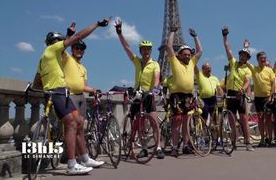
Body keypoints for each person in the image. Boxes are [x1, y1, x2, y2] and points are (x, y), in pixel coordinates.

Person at [32, 17, 110, 175]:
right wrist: (96, 24)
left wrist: (47, 86)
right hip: (59, 93)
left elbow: (36, 83)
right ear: (56, 42)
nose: (64, 47)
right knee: (72, 124)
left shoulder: (43, 58)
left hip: (52, 93)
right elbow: (78, 37)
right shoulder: (54, 50)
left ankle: (85, 158)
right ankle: (72, 164)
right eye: (62, 43)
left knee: (78, 123)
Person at [114, 19, 165, 159]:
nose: (146, 52)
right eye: (143, 50)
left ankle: (158, 147)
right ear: (141, 51)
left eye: (148, 49)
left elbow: (156, 78)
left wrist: (154, 91)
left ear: (150, 51)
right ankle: (143, 148)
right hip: (137, 94)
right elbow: (127, 48)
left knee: (154, 122)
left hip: (148, 95)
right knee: (139, 123)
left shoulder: (155, 64)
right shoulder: (137, 61)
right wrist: (120, 33)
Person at [62, 27, 105, 167]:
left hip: (81, 98)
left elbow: (83, 85)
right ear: (72, 49)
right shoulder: (67, 59)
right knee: (73, 127)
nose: (79, 50)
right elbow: (61, 48)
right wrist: (69, 34)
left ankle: (85, 158)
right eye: (77, 48)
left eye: (81, 49)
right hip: (71, 97)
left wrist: (93, 89)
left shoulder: (83, 68)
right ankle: (73, 160)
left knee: (80, 128)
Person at [166, 25, 202, 157]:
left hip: (188, 96)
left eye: (189, 54)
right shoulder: (175, 61)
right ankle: (175, 147)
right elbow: (169, 47)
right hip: (176, 96)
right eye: (185, 54)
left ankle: (186, 145)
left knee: (186, 122)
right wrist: (172, 32)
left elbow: (200, 51)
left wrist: (195, 37)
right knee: (177, 121)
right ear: (179, 55)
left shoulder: (192, 63)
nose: (187, 56)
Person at [221, 26, 254, 151]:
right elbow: (228, 49)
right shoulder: (233, 63)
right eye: (241, 55)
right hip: (230, 93)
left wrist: (243, 89)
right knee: (231, 119)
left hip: (239, 94)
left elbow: (247, 82)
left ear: (247, 58)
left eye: (245, 56)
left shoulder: (247, 69)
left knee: (244, 119)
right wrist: (225, 36)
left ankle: (248, 142)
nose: (242, 57)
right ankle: (233, 141)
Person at [246, 51, 276, 147]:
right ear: (257, 60)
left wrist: (272, 95)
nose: (263, 59)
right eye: (261, 58)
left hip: (267, 97)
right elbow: (245, 61)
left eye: (264, 58)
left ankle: (270, 139)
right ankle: (262, 139)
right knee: (260, 119)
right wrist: (246, 48)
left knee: (269, 119)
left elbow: (273, 83)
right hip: (258, 98)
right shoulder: (254, 69)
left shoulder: (269, 70)